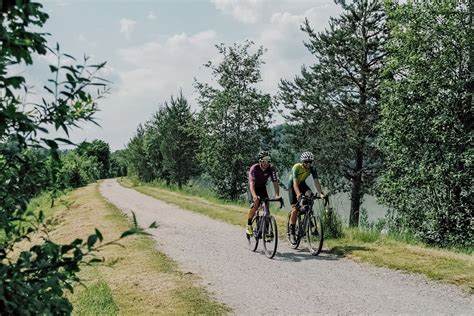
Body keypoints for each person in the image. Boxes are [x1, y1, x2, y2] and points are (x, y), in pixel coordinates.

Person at [287, 151, 325, 243]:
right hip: (293, 186)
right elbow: (295, 183)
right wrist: (298, 194)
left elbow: (316, 182)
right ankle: (292, 233)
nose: (308, 164)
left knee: (310, 196)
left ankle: (307, 215)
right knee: (295, 209)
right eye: (306, 162)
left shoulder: (312, 169)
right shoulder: (297, 167)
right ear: (302, 161)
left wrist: (321, 193)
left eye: (310, 162)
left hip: (303, 184)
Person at [246, 151, 280, 235]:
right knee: (256, 204)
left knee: (266, 206)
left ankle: (267, 231)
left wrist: (277, 195)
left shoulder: (271, 168)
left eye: (269, 160)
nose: (267, 163)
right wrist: (254, 196)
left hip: (262, 188)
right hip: (253, 188)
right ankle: (249, 224)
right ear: (260, 161)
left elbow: (275, 182)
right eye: (265, 160)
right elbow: (251, 184)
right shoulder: (254, 168)